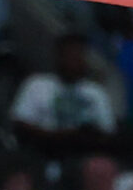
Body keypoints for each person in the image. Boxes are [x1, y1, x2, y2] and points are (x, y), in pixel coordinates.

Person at [11, 35, 117, 168]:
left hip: (81, 159)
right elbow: (20, 124)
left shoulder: (96, 92)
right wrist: (58, 136)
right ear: (58, 57)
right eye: (69, 56)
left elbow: (107, 132)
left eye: (78, 56)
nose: (74, 62)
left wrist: (83, 135)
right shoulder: (37, 84)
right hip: (39, 154)